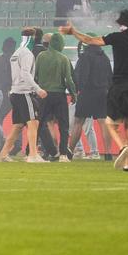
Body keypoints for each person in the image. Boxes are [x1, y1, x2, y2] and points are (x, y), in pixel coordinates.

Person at [62, 10, 128, 172]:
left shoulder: (114, 38)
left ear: (120, 23)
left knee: (103, 122)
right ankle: (123, 161)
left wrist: (73, 31)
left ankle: (120, 146)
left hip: (114, 87)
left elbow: (89, 40)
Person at [0, 28, 48, 163]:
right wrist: (38, 89)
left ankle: (2, 155)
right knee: (33, 123)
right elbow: (25, 73)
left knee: (17, 126)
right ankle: (33, 155)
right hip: (24, 92)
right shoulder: (27, 54)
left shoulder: (17, 52)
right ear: (33, 37)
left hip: (15, 92)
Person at [35, 31, 76, 162]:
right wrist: (73, 94)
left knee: (39, 124)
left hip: (43, 94)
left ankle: (31, 152)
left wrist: (38, 89)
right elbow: (69, 80)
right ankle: (63, 154)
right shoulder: (64, 59)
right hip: (59, 95)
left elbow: (35, 75)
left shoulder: (41, 56)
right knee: (63, 126)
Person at [70, 38, 112, 161]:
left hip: (87, 92)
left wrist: (78, 90)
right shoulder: (105, 58)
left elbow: (80, 77)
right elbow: (110, 77)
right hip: (103, 92)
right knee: (103, 123)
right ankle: (108, 153)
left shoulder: (85, 57)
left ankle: (69, 152)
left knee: (78, 122)